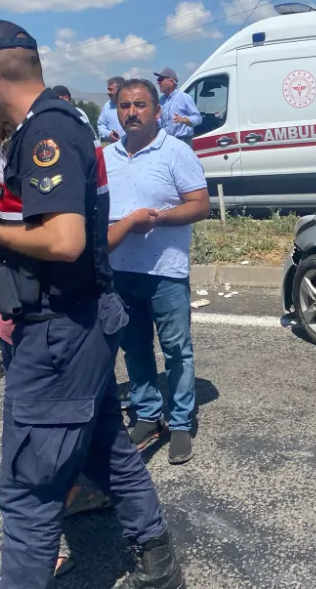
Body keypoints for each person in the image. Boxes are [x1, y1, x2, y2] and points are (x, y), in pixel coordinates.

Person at [0, 19, 186, 589]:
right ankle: (158, 563)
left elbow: (66, 240)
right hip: (81, 322)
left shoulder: (45, 130)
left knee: (28, 489)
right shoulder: (61, 122)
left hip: (58, 335)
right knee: (108, 450)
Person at [0, 122, 112, 579]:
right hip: (24, 329)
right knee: (39, 451)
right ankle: (50, 540)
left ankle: (77, 501)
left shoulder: (40, 181)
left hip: (54, 326)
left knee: (57, 439)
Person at [104, 78, 210, 464]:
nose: (132, 112)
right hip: (121, 270)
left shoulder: (175, 152)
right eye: (125, 106)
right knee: (133, 348)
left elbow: (200, 205)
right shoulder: (107, 157)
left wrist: (157, 220)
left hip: (165, 271)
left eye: (140, 105)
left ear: (157, 111)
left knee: (176, 351)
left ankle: (181, 422)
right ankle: (148, 414)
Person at [154, 68, 202, 148]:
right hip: (167, 142)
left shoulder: (185, 97)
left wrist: (185, 120)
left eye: (160, 79)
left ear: (171, 82)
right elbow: (160, 122)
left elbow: (198, 118)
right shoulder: (161, 100)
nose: (158, 82)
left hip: (183, 141)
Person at [98, 76, 126, 143]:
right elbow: (101, 126)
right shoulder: (107, 106)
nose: (108, 92)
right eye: (108, 89)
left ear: (120, 90)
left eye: (111, 89)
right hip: (114, 148)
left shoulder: (132, 105)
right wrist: (109, 134)